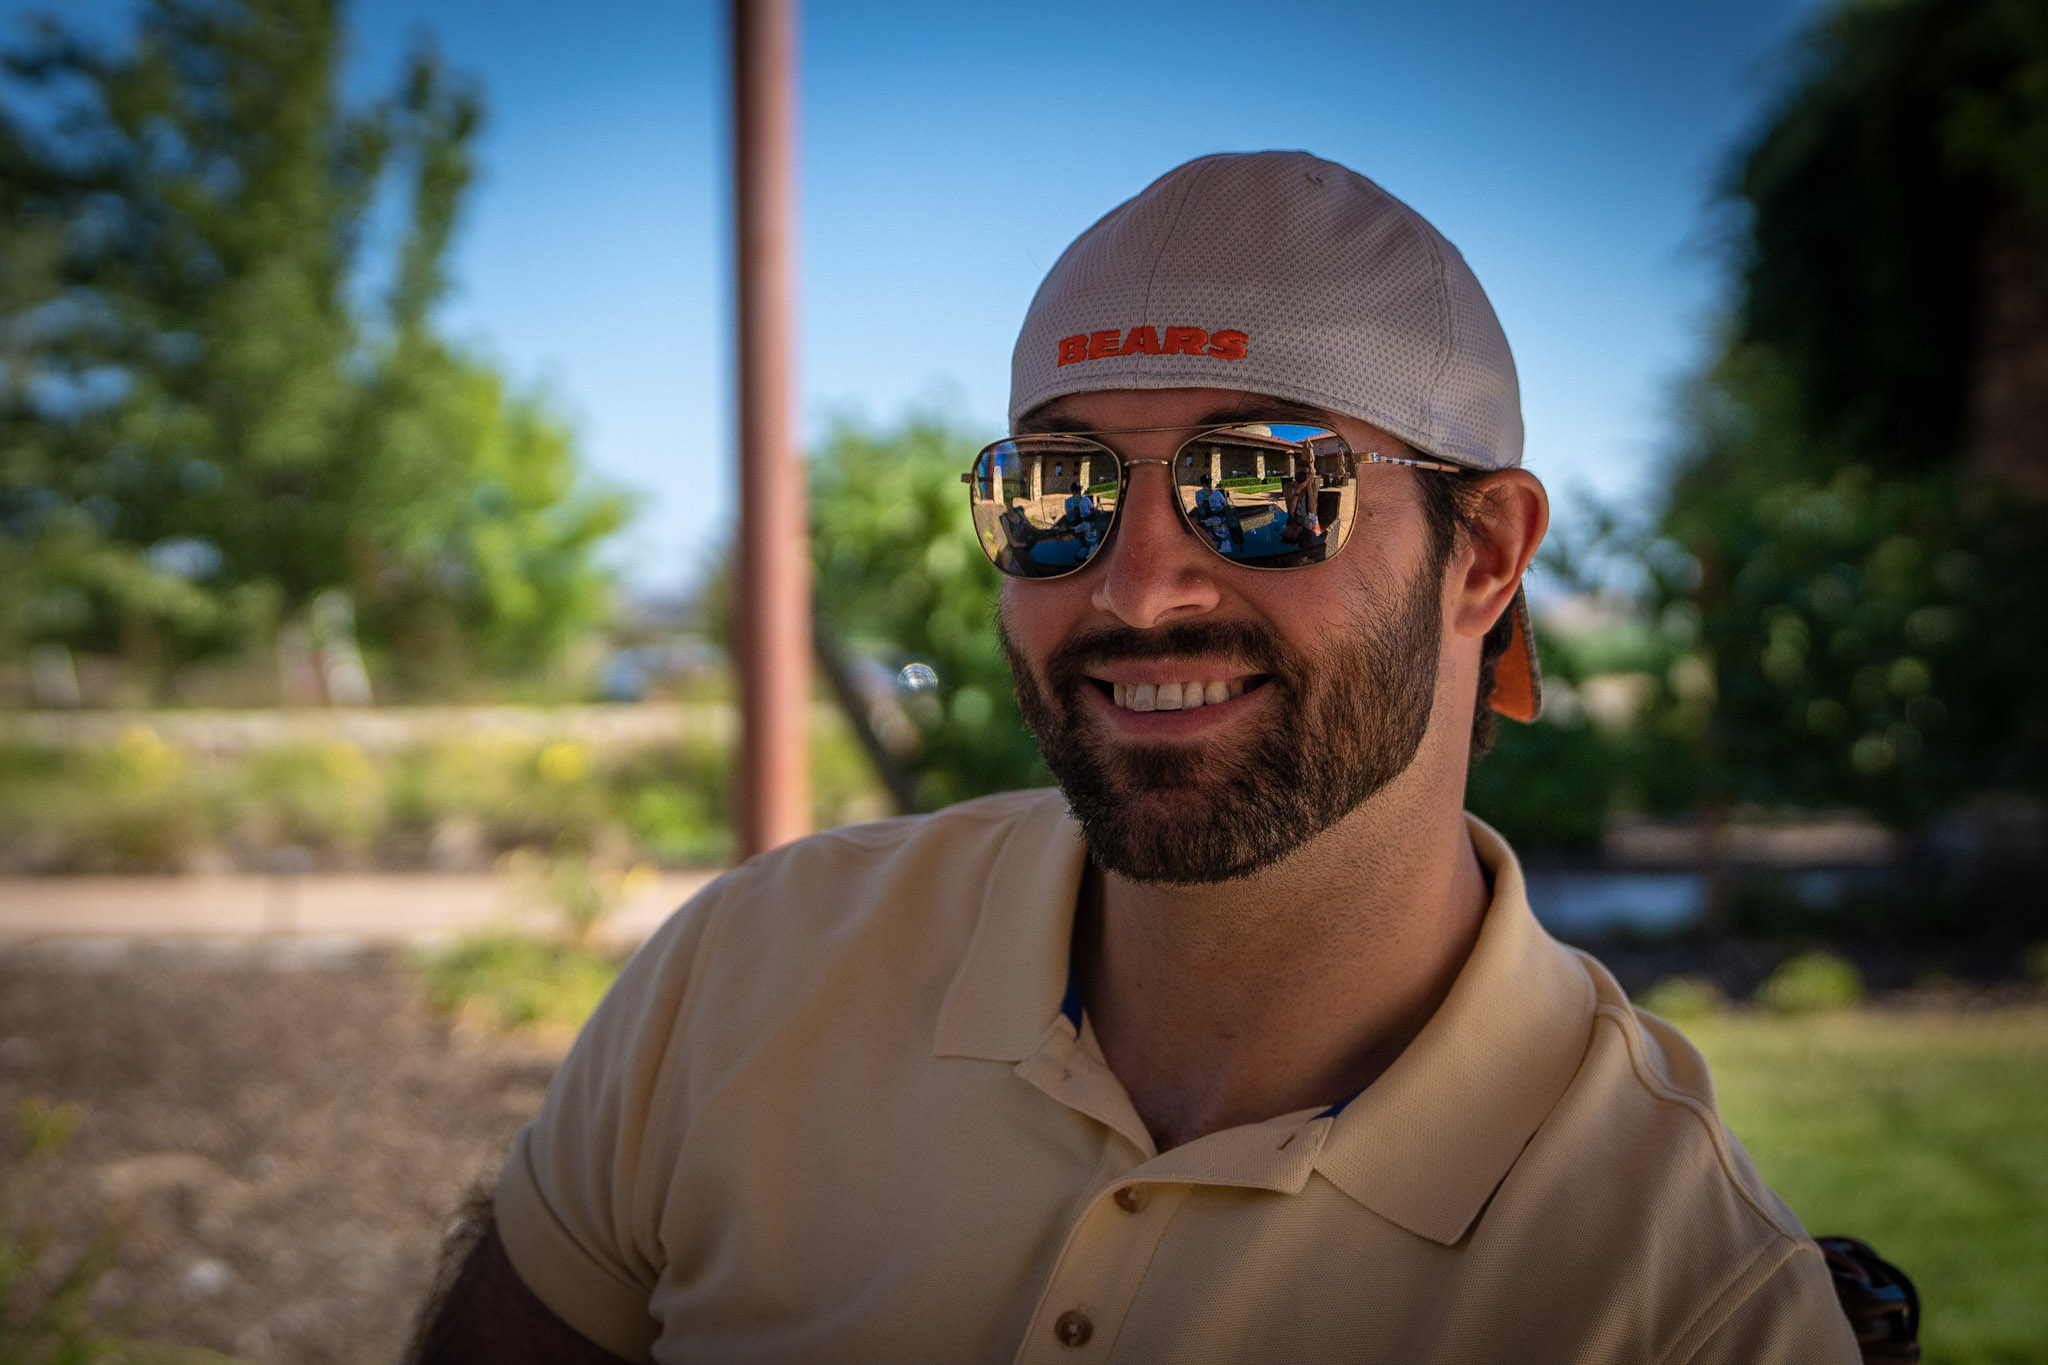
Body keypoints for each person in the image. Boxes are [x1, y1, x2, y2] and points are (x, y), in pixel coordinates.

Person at [409, 152, 1862, 1364]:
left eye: (1265, 484)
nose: (1136, 585)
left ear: (1481, 555)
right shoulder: (752, 969)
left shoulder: (1682, 1297)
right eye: (1059, 490)